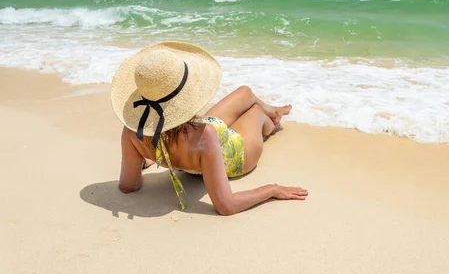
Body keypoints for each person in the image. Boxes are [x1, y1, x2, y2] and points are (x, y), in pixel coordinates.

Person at [111, 41, 308, 215]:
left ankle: (273, 112)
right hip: (235, 156)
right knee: (256, 112)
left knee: (245, 92)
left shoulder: (134, 131)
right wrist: (272, 190)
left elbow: (128, 186)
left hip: (192, 144)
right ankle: (271, 123)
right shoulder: (204, 135)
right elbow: (226, 206)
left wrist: (148, 157)